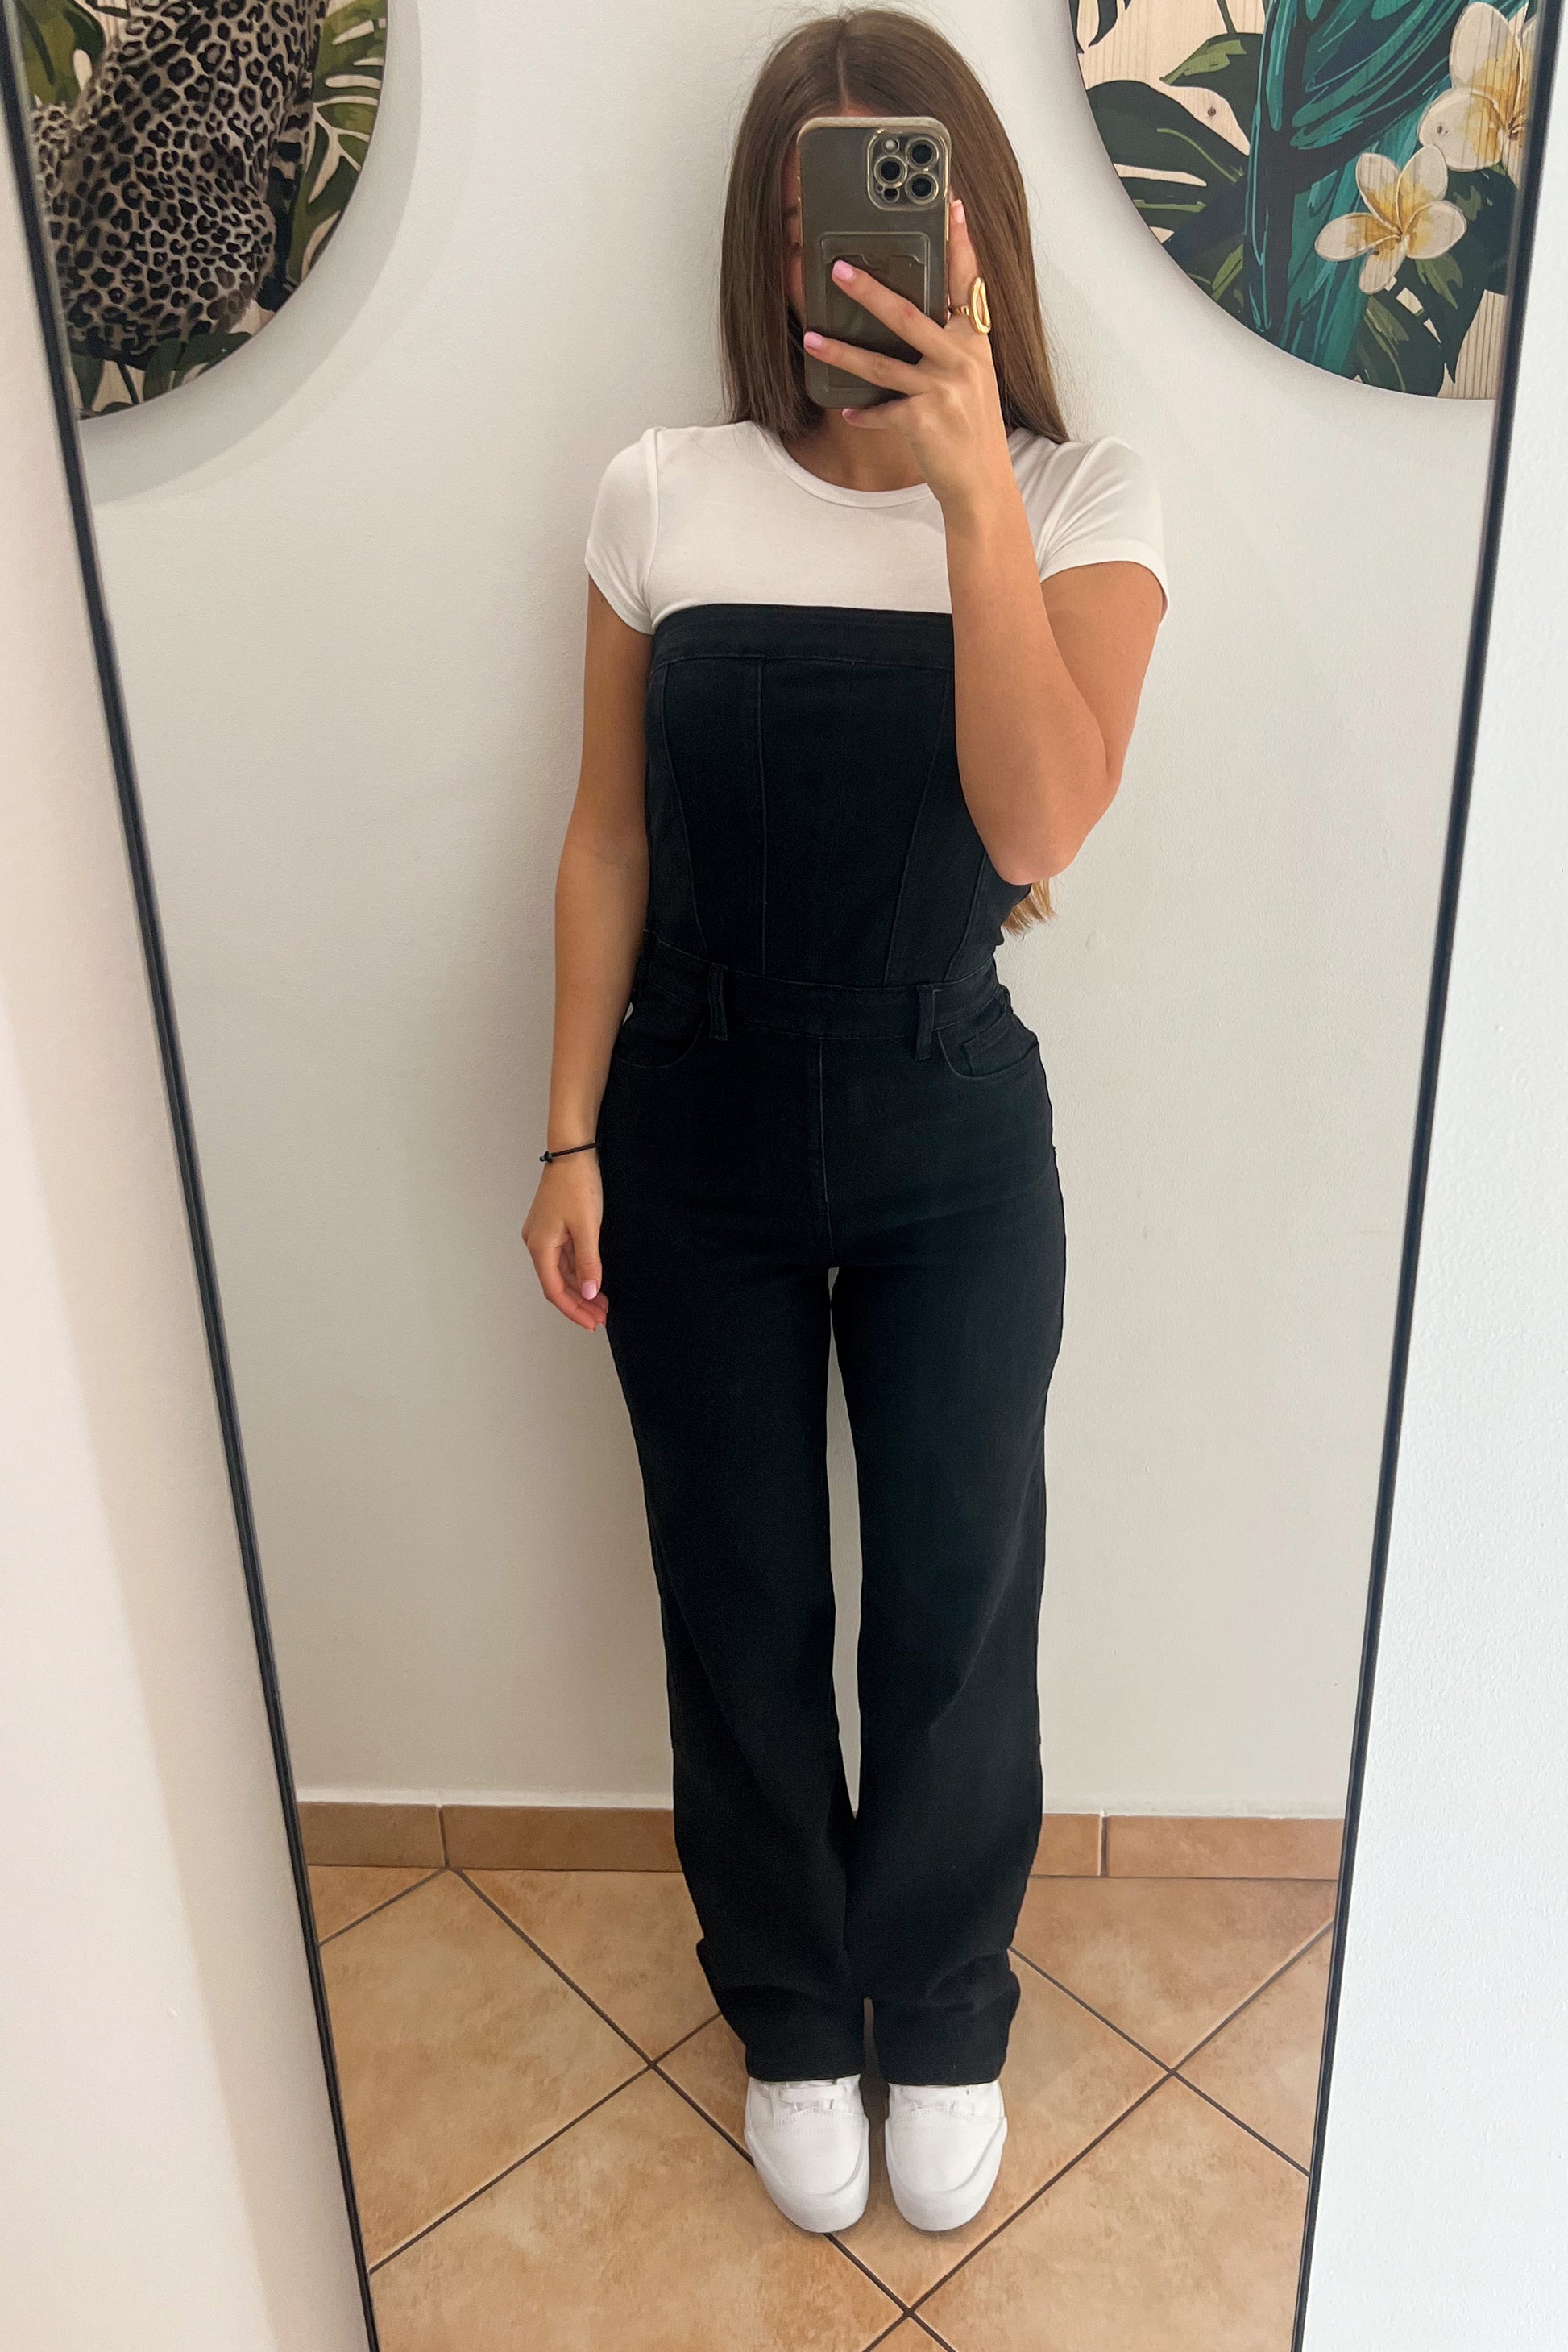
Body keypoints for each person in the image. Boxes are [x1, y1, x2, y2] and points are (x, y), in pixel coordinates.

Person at [522, 7, 1165, 2238]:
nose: (871, 248)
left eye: (911, 197)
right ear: (771, 237)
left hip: (947, 1128)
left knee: (957, 1601)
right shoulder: (658, 490)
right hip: (686, 1120)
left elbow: (1041, 821)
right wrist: (565, 1133)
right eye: (828, 205)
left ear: (976, 226)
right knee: (738, 1596)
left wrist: (974, 485)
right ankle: (795, 2007)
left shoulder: (1084, 499)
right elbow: (605, 833)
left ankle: (946, 2009)